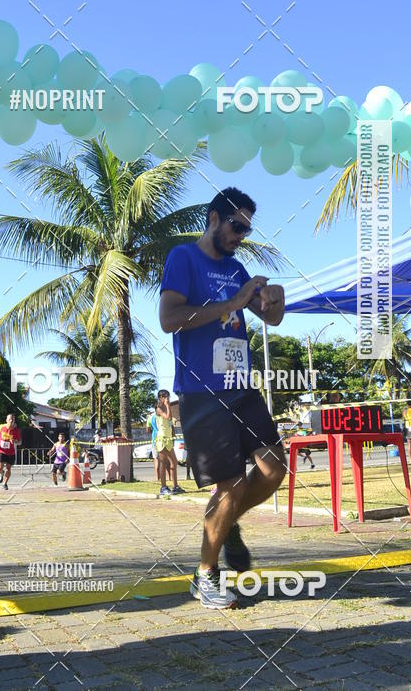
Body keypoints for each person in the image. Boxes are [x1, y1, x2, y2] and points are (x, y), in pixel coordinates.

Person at [160, 187, 286, 609]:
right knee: (230, 486)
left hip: (241, 387)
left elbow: (272, 317)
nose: (241, 235)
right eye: (237, 226)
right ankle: (205, 576)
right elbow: (169, 319)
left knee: (273, 468)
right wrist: (229, 303)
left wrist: (273, 298)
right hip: (202, 391)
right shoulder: (183, 258)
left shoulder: (236, 267)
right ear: (214, 219)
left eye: (247, 229)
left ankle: (225, 521)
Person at [155, 390, 184, 496]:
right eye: (165, 397)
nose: (167, 399)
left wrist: (173, 433)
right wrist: (167, 405)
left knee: (174, 462)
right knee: (163, 463)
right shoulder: (158, 409)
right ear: (160, 397)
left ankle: (175, 486)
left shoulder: (167, 407)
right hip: (162, 438)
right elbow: (168, 417)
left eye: (168, 396)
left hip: (168, 438)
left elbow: (170, 422)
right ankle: (163, 487)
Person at [0, 414, 21, 490]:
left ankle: (5, 483)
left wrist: (15, 441)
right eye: (9, 419)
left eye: (12, 419)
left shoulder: (16, 430)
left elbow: (19, 442)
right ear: (6, 420)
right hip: (2, 450)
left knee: (8, 469)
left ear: (14, 421)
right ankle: (1, 473)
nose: (11, 420)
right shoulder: (1, 426)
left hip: (11, 452)